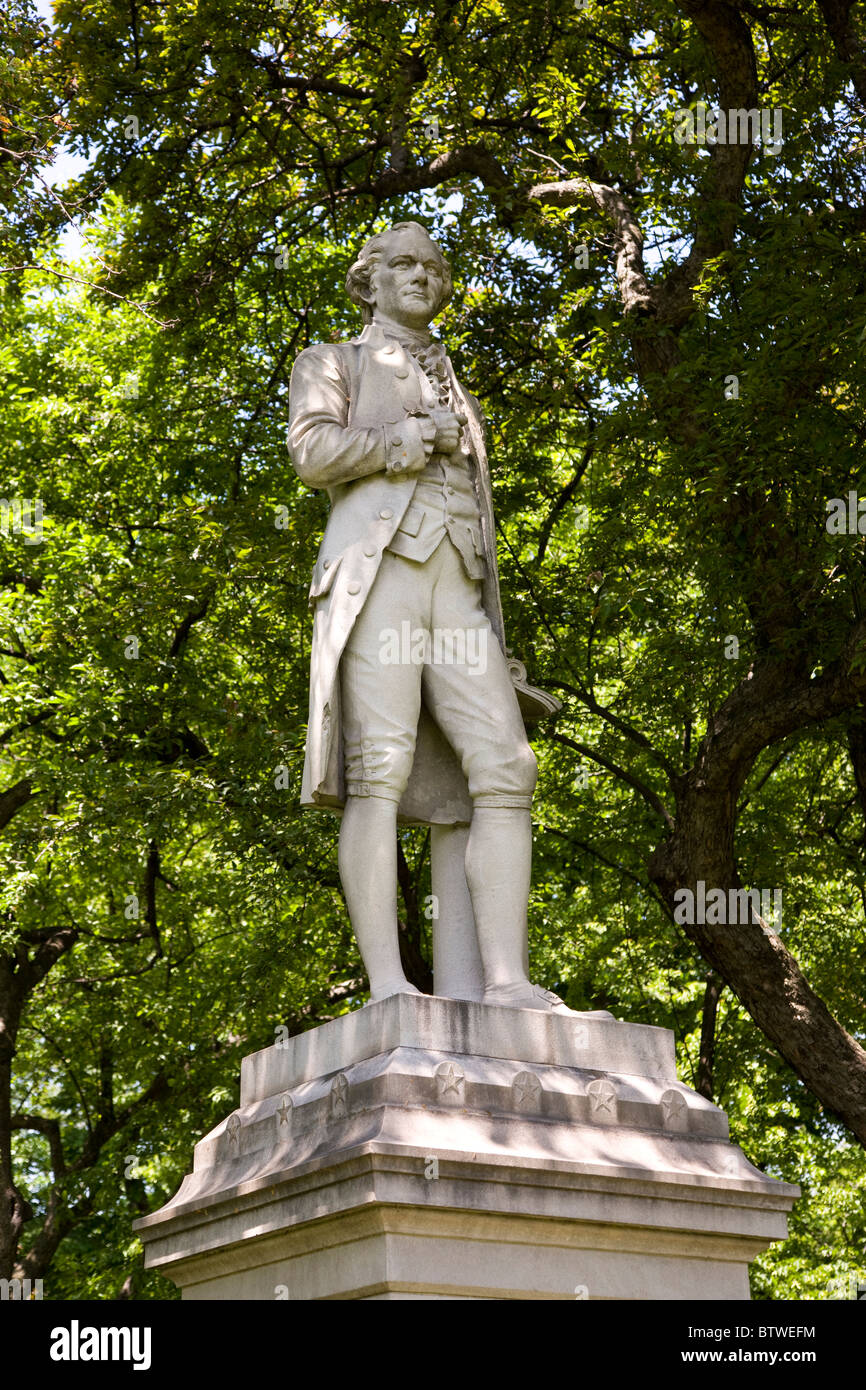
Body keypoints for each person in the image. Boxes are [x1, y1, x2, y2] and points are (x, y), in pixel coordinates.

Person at [289, 221, 607, 1016]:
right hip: (382, 575)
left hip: (457, 589)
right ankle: (390, 988)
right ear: (368, 280)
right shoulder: (332, 361)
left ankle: (502, 985)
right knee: (381, 774)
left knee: (506, 768)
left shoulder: (456, 377)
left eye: (434, 266)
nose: (422, 276)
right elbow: (311, 452)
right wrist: (404, 439)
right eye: (404, 264)